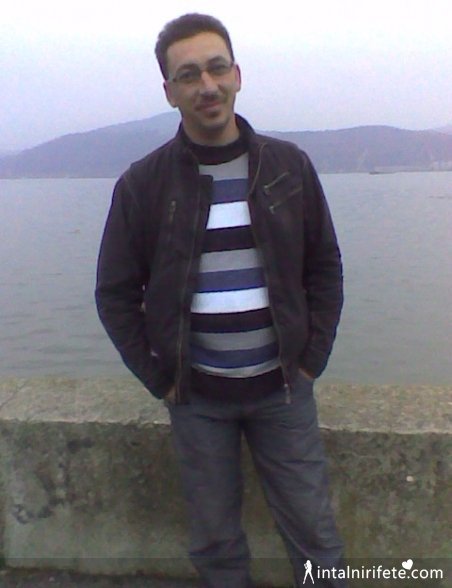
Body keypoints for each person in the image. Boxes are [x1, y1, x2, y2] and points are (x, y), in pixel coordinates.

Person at [95, 13, 347, 588]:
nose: (206, 86)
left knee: (315, 534)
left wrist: (312, 360)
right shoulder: (143, 183)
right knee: (215, 541)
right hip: (197, 396)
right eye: (189, 75)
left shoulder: (288, 166)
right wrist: (159, 379)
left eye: (216, 69)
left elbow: (325, 268)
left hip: (284, 390)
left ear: (237, 75)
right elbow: (114, 293)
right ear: (169, 91)